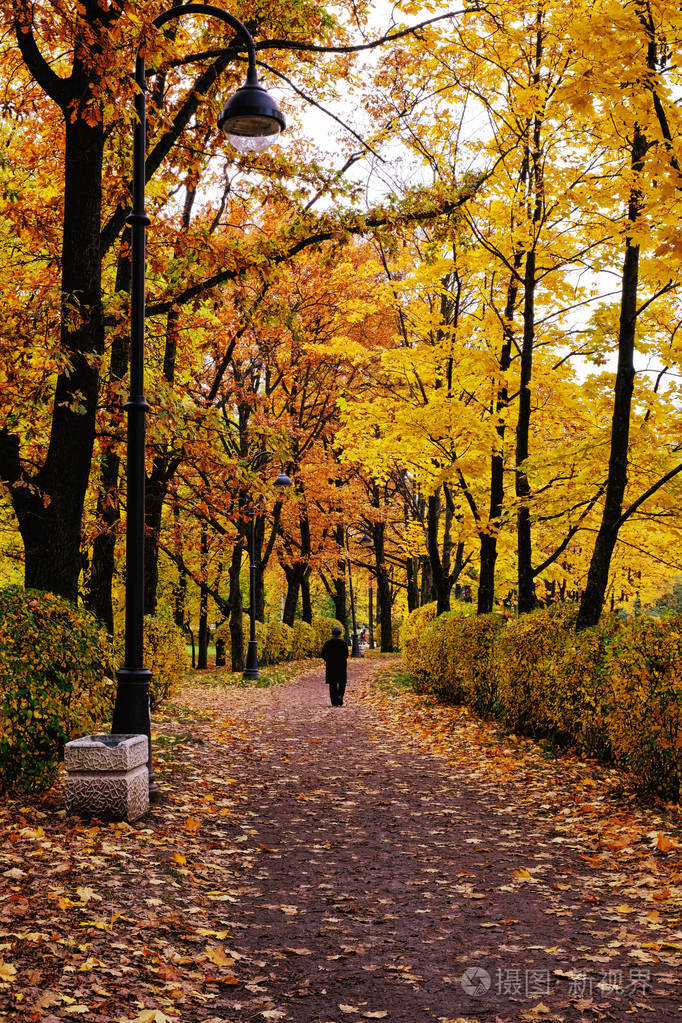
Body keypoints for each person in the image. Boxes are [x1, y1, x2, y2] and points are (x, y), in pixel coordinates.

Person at [321, 625, 349, 707]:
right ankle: (340, 696)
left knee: (332, 684)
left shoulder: (328, 643)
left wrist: (327, 659)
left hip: (331, 665)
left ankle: (334, 701)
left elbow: (322, 654)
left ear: (332, 633)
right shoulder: (343, 643)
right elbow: (346, 654)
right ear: (340, 633)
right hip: (341, 666)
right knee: (342, 682)